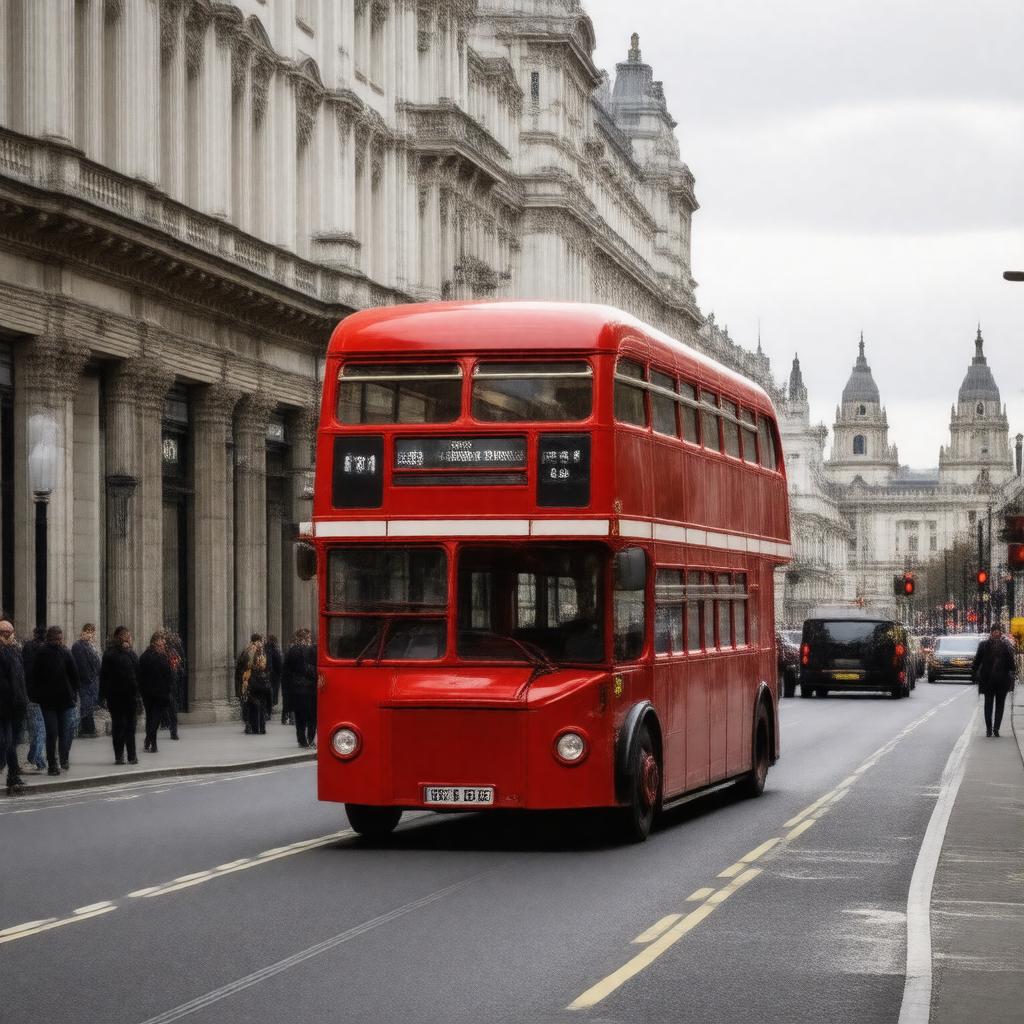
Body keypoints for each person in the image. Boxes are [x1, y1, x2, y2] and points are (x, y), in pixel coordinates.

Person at [29, 626, 80, 775]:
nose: (58, 641)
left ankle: (63, 758)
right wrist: (35, 695)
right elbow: (34, 676)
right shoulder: (42, 653)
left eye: (59, 639)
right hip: (48, 702)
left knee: (66, 732)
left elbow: (74, 674)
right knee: (52, 733)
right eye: (55, 639)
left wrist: (73, 693)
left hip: (65, 700)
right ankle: (53, 764)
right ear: (49, 638)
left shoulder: (65, 653)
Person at [99, 626, 140, 765]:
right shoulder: (110, 654)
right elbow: (104, 676)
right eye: (127, 636)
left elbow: (138, 672)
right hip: (117, 697)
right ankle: (121, 755)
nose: (129, 638)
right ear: (121, 637)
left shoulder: (130, 653)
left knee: (129, 727)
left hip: (129, 697)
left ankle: (130, 756)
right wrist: (102, 696)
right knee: (121, 727)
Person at [971, 623, 1017, 738]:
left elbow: (1011, 664)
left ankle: (996, 728)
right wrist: (974, 674)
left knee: (1000, 705)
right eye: (994, 631)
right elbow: (977, 661)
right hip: (988, 680)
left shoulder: (1006, 646)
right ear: (991, 632)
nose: (996, 633)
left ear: (1000, 633)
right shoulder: (983, 645)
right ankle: (988, 729)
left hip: (1002, 681)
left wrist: (1011, 674)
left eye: (998, 631)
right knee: (988, 705)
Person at [0, 619, 28, 794]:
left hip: (13, 705)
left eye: (9, 632)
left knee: (11, 742)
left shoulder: (15, 650)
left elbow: (20, 678)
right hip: (2, 704)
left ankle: (13, 775)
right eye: (3, 632)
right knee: (4, 741)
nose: (7, 635)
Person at [138, 633, 175, 754]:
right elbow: (168, 675)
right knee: (155, 719)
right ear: (155, 642)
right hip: (159, 693)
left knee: (150, 717)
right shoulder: (161, 657)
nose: (164, 643)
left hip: (147, 693)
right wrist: (168, 688)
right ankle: (150, 740)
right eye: (162, 641)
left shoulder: (144, 656)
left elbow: (140, 675)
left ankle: (151, 742)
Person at [283, 628, 317, 749]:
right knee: (312, 717)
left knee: (300, 717)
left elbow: (286, 671)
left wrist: (288, 689)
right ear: (307, 637)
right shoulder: (312, 649)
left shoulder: (291, 651)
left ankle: (301, 740)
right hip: (310, 689)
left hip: (296, 689)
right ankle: (311, 739)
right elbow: (315, 669)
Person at [21, 625, 47, 773]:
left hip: (30, 693)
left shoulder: (28, 648)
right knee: (40, 730)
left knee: (37, 729)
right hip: (41, 696)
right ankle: (36, 759)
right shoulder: (45, 650)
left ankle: (36, 758)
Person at [71, 623, 101, 738]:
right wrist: (88, 677)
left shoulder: (91, 646)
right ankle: (86, 729)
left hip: (92, 680)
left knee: (90, 705)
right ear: (82, 632)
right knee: (86, 704)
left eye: (92, 631)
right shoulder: (78, 645)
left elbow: (97, 663)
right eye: (87, 631)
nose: (90, 634)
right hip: (85, 680)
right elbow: (81, 664)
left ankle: (90, 728)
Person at [163, 630, 185, 741]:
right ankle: (171, 729)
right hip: (165, 685)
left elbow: (180, 667)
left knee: (172, 709)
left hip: (171, 685)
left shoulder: (174, 653)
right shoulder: (162, 653)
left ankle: (173, 731)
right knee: (169, 709)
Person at [265, 634, 283, 724]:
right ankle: (268, 712)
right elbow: (278, 662)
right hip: (274, 675)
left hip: (271, 674)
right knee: (271, 694)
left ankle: (268, 711)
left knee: (269, 693)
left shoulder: (267, 649)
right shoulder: (274, 649)